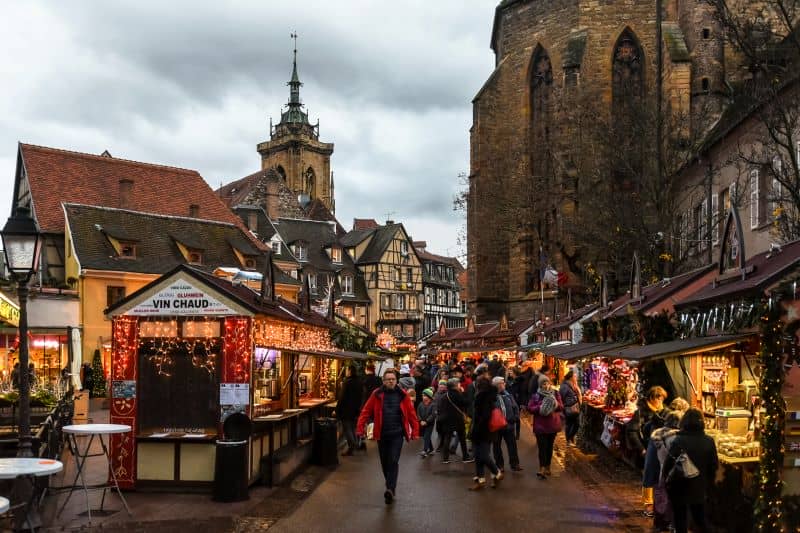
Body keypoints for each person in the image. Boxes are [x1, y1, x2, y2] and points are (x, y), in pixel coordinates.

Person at [357, 368, 419, 505]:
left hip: (397, 435)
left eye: (393, 379)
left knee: (393, 460)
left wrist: (415, 431)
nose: (391, 381)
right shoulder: (376, 394)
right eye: (388, 379)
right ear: (383, 381)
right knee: (385, 463)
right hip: (382, 434)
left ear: (396, 381)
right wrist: (360, 428)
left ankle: (390, 489)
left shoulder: (403, 395)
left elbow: (411, 414)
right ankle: (390, 485)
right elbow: (366, 411)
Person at [662, 408, 718, 533]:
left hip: (680, 486)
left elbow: (668, 463)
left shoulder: (678, 440)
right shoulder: (709, 441)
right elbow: (713, 466)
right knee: (700, 519)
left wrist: (666, 481)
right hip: (699, 487)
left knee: (680, 519)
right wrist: (709, 485)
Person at [628, 385, 669, 517]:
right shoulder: (641, 412)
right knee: (648, 476)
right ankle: (648, 505)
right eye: (659, 399)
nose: (661, 402)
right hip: (647, 449)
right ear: (652, 398)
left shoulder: (664, 411)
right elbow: (632, 432)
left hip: (660, 450)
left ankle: (657, 504)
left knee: (658, 477)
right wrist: (642, 450)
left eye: (663, 399)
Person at [644, 409, 683, 531]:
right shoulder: (675, 437)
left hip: (657, 472)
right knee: (670, 499)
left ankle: (659, 523)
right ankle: (669, 522)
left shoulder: (656, 434)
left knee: (659, 496)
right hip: (668, 473)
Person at [468, 377, 503, 490]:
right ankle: (481, 479)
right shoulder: (489, 396)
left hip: (483, 431)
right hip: (486, 430)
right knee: (479, 456)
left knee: (483, 455)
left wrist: (477, 429)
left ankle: (496, 472)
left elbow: (484, 416)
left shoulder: (483, 398)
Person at [528, 377, 563, 479]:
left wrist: (554, 404)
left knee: (549, 447)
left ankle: (548, 466)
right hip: (540, 426)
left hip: (552, 425)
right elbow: (530, 408)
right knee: (542, 448)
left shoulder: (555, 394)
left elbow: (561, 407)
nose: (546, 386)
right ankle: (542, 468)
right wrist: (540, 407)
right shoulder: (536, 396)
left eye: (547, 383)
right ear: (540, 385)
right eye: (544, 384)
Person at [436, 378, 472, 464]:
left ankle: (445, 458)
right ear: (455, 385)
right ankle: (465, 457)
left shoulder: (445, 395)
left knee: (447, 438)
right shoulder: (457, 394)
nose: (460, 385)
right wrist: (463, 392)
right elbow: (465, 402)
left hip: (447, 419)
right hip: (457, 419)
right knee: (462, 438)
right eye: (458, 383)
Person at [492, 376, 522, 472]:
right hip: (497, 426)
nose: (504, 384)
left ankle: (515, 464)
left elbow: (515, 407)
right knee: (497, 446)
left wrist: (515, 417)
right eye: (502, 383)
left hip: (509, 425)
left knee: (512, 445)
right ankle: (499, 465)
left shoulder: (508, 395)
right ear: (497, 385)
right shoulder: (491, 397)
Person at [336, 365, 363, 456]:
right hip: (356, 409)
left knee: (347, 428)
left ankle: (352, 445)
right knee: (353, 427)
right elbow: (362, 395)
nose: (346, 372)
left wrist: (337, 410)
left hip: (346, 410)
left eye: (347, 370)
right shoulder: (359, 381)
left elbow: (342, 397)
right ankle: (355, 444)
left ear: (350, 371)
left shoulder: (347, 382)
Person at [559, 370, 582, 447]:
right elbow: (561, 397)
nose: (576, 378)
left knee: (577, 424)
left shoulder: (573, 385)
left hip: (575, 407)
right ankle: (568, 440)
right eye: (575, 376)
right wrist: (564, 407)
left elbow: (577, 394)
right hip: (568, 407)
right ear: (571, 377)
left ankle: (571, 437)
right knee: (569, 424)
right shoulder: (564, 386)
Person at [417, 388, 436, 457]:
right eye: (422, 395)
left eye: (424, 395)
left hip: (429, 424)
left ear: (429, 397)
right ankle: (431, 449)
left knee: (426, 436)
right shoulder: (420, 404)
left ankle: (424, 450)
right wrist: (420, 420)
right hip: (422, 423)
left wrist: (427, 421)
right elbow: (418, 413)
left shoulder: (433, 405)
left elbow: (433, 415)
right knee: (425, 436)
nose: (423, 397)